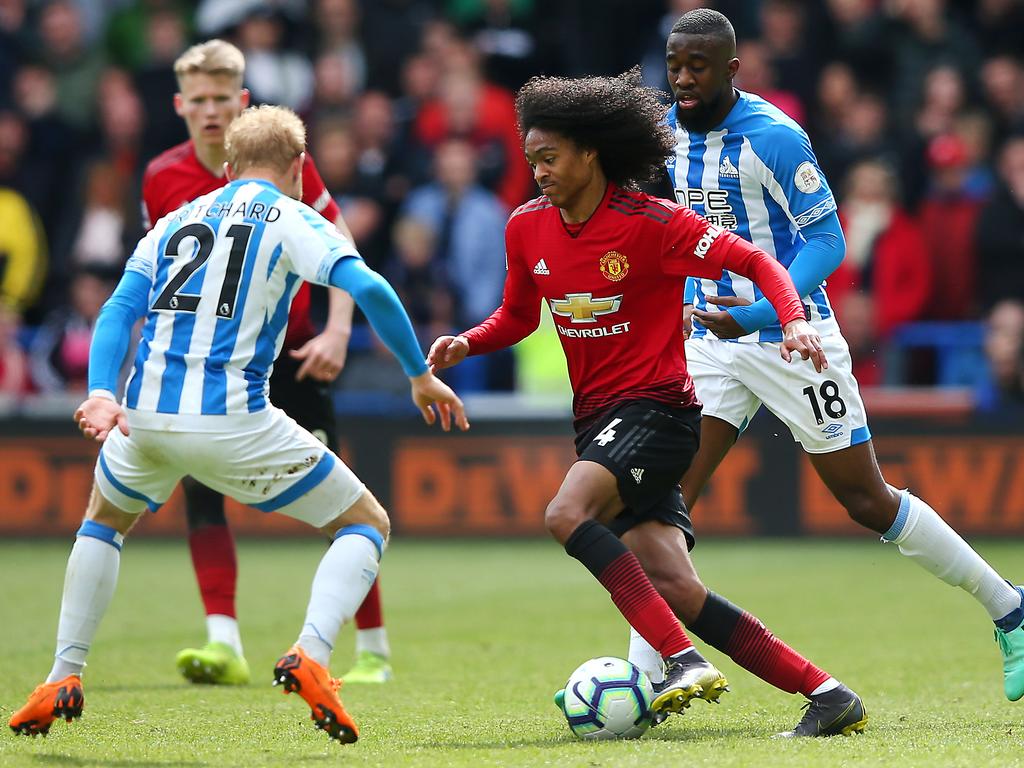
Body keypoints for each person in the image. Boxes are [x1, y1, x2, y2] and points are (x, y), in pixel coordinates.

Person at [8, 104, 468, 743]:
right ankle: (311, 654)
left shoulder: (177, 218)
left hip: (143, 416)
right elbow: (374, 290)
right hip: (233, 419)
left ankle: (62, 675)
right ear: (300, 168)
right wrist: (419, 373)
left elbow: (116, 311)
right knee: (365, 524)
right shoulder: (293, 215)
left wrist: (99, 393)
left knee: (103, 521)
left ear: (227, 168)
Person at [426, 68, 862, 735]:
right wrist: (467, 342)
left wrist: (793, 319)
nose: (537, 171)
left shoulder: (655, 224)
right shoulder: (526, 229)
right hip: (599, 423)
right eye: (531, 159)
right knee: (676, 585)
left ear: (590, 154)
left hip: (659, 414)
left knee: (565, 513)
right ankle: (829, 697)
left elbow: (760, 263)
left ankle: (681, 660)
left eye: (550, 158)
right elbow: (517, 317)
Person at [626, 7, 1024, 714]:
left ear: (732, 69)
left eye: (698, 66)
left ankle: (1010, 610)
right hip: (710, 344)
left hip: (790, 337)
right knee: (664, 496)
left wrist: (757, 312)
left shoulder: (775, 137)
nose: (683, 78)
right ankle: (655, 667)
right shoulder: (664, 131)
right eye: (675, 64)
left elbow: (828, 245)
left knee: (865, 499)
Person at [142, 39, 394, 687]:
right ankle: (223, 643)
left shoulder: (283, 166)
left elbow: (344, 249)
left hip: (293, 358)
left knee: (341, 501)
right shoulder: (161, 178)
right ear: (179, 105)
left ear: (242, 100)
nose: (209, 111)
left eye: (221, 99)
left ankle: (372, 649)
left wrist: (338, 333)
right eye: (197, 100)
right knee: (200, 494)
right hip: (209, 364)